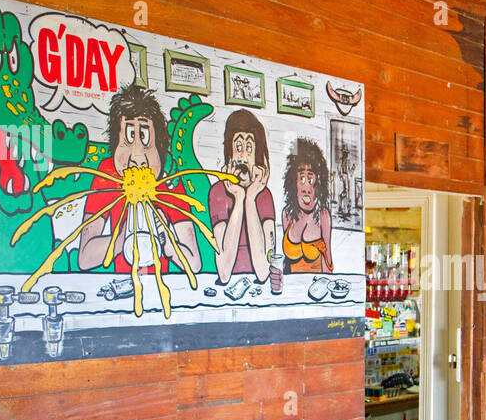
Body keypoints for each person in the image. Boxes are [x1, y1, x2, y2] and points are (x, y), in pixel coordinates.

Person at [79, 84, 199, 275]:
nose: (137, 156)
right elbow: (85, 258)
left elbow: (194, 262)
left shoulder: (169, 181)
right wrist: (122, 237)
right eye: (129, 136)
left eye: (144, 137)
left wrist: (167, 240)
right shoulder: (108, 174)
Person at [209, 109, 274, 284]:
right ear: (229, 154)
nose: (243, 156)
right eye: (238, 147)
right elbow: (223, 272)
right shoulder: (218, 193)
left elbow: (263, 271)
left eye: (249, 147)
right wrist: (239, 199)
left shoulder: (264, 196)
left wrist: (250, 199)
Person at [281, 136, 333, 273]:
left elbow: (327, 261)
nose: (305, 187)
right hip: (292, 290)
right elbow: (286, 262)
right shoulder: (287, 214)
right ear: (293, 184)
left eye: (310, 179)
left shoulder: (323, 215)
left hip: (316, 289)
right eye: (301, 179)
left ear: (318, 185)